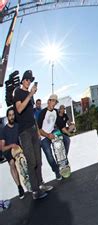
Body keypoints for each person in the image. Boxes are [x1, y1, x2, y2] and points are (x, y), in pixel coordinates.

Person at [13, 70, 52, 200]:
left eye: (31, 80)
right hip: (24, 133)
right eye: (28, 79)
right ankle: (35, 191)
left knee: (39, 161)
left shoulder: (30, 95)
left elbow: (31, 114)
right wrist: (30, 94)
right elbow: (19, 109)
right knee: (32, 162)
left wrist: (37, 129)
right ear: (23, 80)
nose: (29, 82)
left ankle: (40, 184)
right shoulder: (18, 92)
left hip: (33, 130)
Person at [38, 94, 67, 180]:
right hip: (43, 136)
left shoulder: (55, 112)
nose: (54, 103)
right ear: (49, 101)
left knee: (66, 140)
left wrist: (68, 131)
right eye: (53, 101)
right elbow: (39, 129)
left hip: (52, 132)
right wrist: (47, 135)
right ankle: (56, 171)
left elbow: (61, 125)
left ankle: (63, 161)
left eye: (55, 101)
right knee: (49, 155)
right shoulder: (42, 113)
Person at [0, 107, 25, 199]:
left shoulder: (18, 126)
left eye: (13, 115)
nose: (12, 117)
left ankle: (30, 181)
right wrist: (11, 145)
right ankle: (19, 187)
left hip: (18, 148)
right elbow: (2, 148)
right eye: (10, 115)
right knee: (12, 163)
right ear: (7, 117)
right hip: (8, 150)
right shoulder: (3, 130)